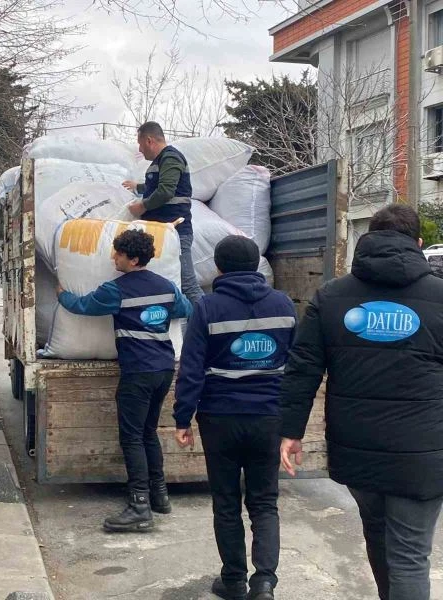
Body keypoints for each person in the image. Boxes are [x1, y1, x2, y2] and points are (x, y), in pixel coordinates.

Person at [280, 204, 443, 600]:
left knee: (378, 534)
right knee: (409, 555)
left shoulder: (332, 296)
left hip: (356, 446)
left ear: (368, 239)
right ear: (418, 243)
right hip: (422, 452)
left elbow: (302, 368)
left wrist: (290, 431)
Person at [174, 235, 296, 600]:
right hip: (269, 416)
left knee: (226, 500)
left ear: (219, 267)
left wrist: (183, 417)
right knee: (264, 501)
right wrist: (293, 421)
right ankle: (264, 583)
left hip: (219, 418)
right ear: (257, 265)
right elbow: (297, 365)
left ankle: (233, 581)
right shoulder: (283, 303)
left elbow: (192, 368)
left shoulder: (207, 307)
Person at [56, 228, 192, 532]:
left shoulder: (115, 290)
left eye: (118, 253)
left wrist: (62, 294)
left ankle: (139, 506)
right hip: (164, 369)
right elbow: (186, 309)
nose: (113, 257)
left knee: (132, 437)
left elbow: (83, 306)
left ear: (133, 260)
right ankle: (159, 496)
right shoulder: (167, 287)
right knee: (148, 432)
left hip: (138, 372)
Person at [122, 121, 203, 306]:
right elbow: (156, 185)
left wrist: (143, 206)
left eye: (140, 144)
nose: (140, 149)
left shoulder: (171, 157)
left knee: (188, 285)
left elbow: (166, 190)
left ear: (149, 140)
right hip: (162, 231)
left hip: (176, 231)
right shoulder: (160, 162)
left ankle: (208, 320)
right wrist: (138, 187)